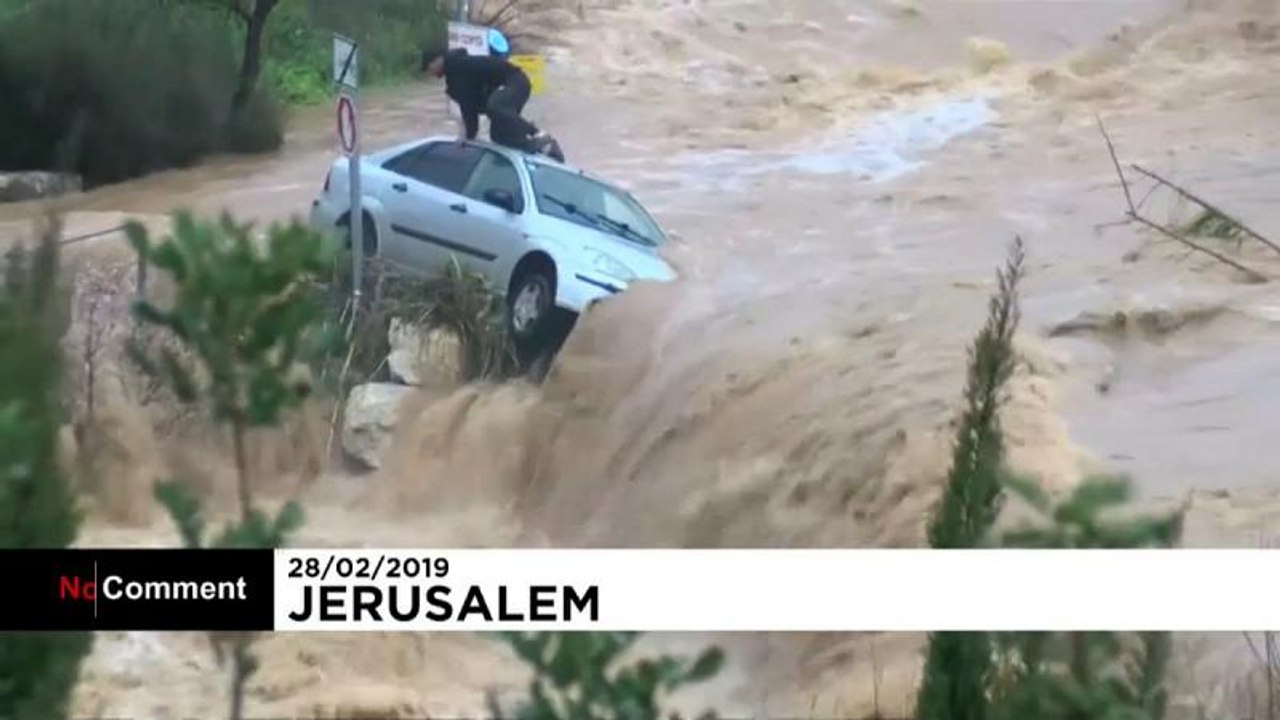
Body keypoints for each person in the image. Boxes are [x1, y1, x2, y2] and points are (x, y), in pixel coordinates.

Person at [420, 47, 556, 156]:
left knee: (495, 105)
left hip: (515, 81)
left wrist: (468, 136)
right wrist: (469, 135)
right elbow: (469, 104)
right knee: (499, 136)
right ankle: (540, 149)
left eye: (428, 68)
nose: (429, 73)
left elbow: (468, 106)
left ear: (437, 60)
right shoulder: (454, 74)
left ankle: (537, 133)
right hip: (507, 87)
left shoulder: (456, 66)